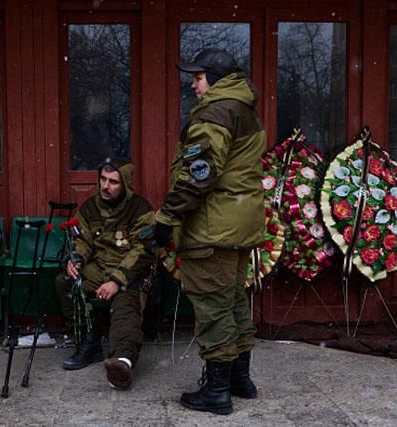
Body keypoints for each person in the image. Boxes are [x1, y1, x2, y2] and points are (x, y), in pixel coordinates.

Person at [153, 48, 266, 415]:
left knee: (214, 307)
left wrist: (165, 219)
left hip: (213, 227)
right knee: (233, 300)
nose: (192, 84)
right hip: (238, 225)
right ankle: (239, 380)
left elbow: (198, 175)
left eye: (198, 77)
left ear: (215, 79)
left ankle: (217, 393)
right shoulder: (244, 108)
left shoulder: (216, 112)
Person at [55, 158, 154, 390]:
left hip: (130, 272)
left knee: (125, 302)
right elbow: (83, 240)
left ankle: (123, 362)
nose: (106, 186)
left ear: (125, 185)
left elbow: (143, 250)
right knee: (66, 282)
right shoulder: (90, 208)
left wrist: (117, 280)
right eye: (103, 179)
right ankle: (88, 343)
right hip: (99, 268)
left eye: (113, 182)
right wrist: (75, 259)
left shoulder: (141, 209)